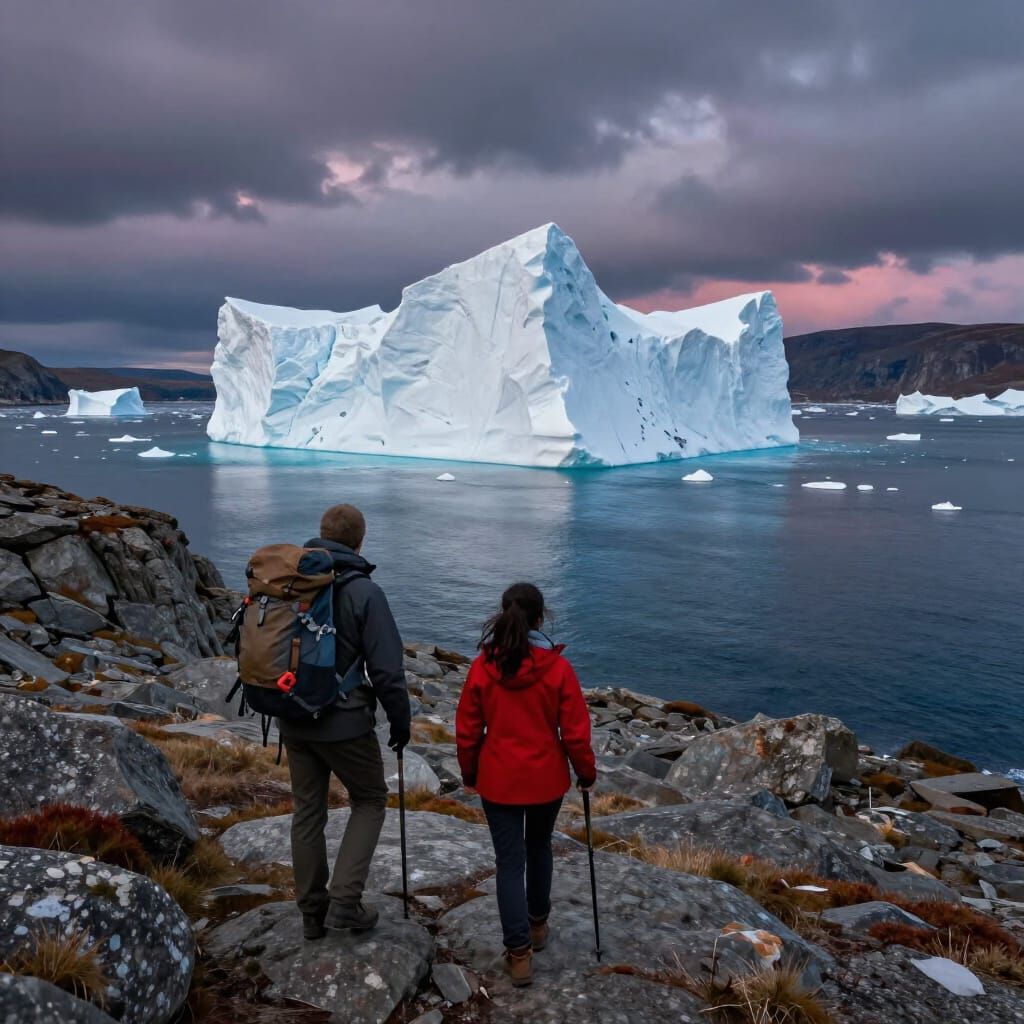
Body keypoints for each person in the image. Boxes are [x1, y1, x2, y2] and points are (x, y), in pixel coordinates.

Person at [455, 582, 596, 987]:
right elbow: (574, 734)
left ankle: (519, 956)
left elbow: (467, 730)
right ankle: (537, 925)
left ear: (503, 615)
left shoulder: (484, 666)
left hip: (498, 780)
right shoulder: (558, 669)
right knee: (539, 847)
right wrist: (586, 774)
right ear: (539, 618)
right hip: (546, 779)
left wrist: (469, 774)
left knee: (509, 862)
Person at [281, 503, 411, 941]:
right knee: (370, 799)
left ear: (321, 534)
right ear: (361, 540)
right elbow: (388, 671)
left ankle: (311, 913)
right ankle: (344, 904)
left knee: (308, 811)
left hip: (293, 716)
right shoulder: (365, 592)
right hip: (345, 722)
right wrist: (400, 721)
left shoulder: (291, 581)